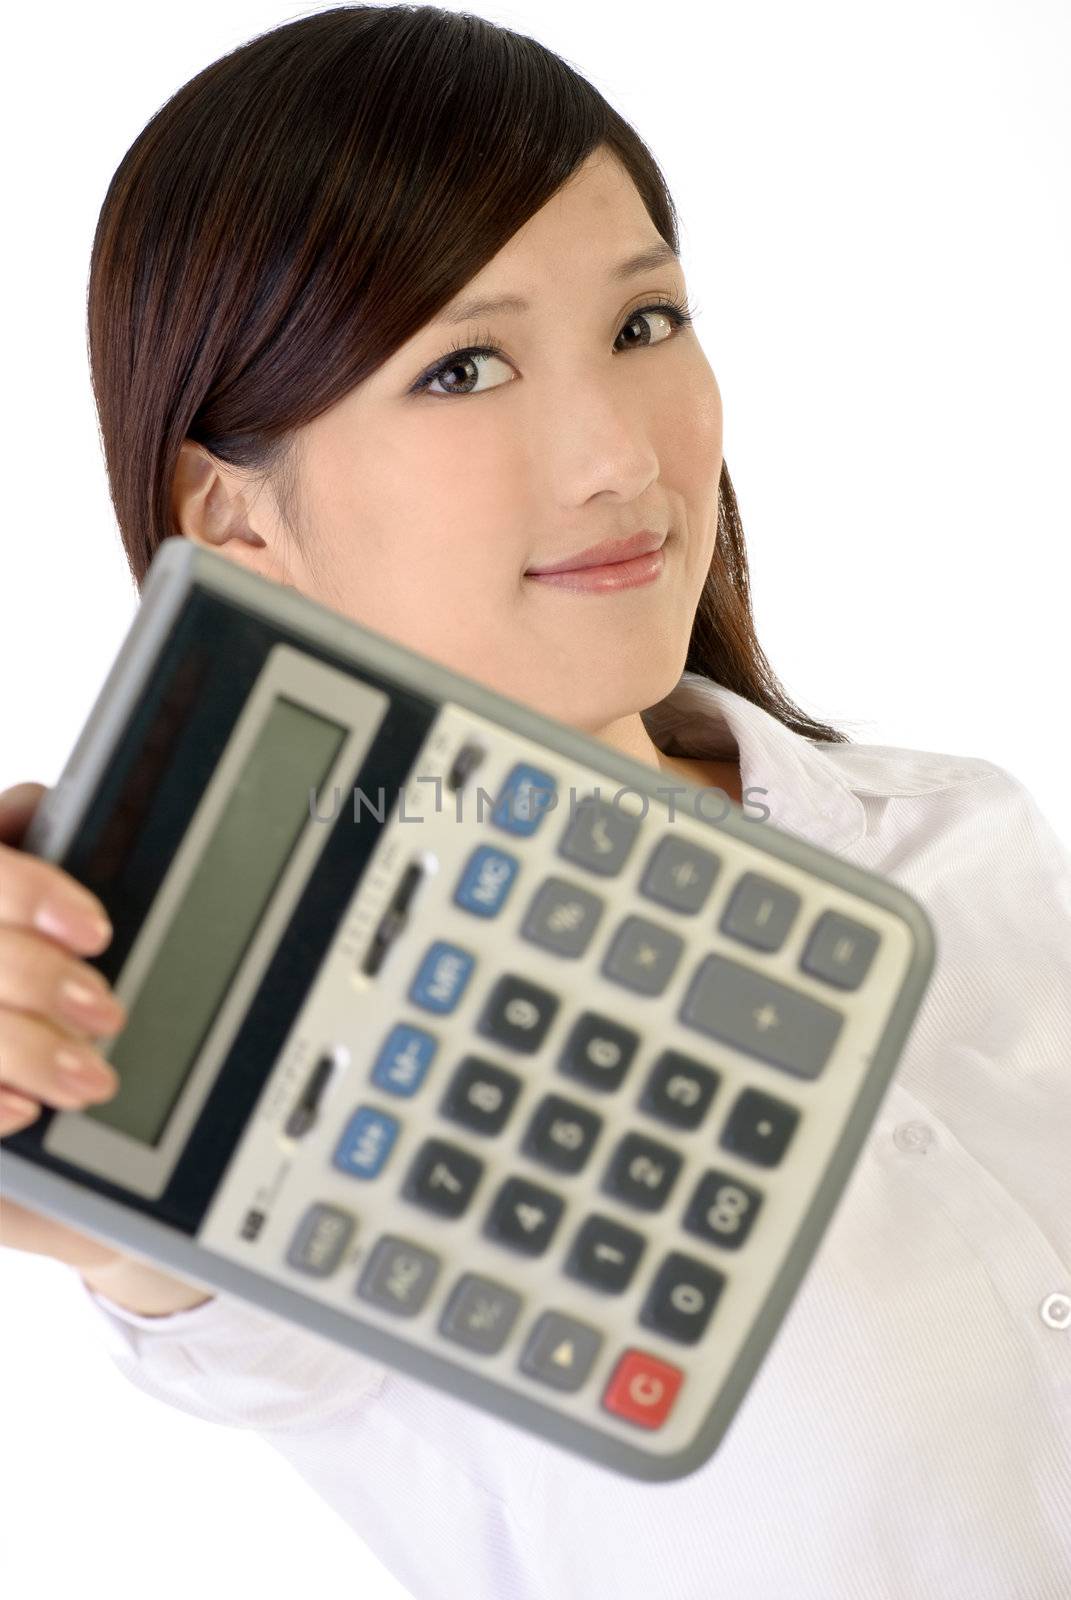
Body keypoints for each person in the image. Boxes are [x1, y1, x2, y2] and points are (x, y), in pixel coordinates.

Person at [1, 8, 1068, 1597]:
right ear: (231, 515)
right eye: (465, 365)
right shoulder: (300, 1066)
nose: (617, 459)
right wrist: (73, 1097)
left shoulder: (963, 832)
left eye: (646, 324)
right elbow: (204, 1297)